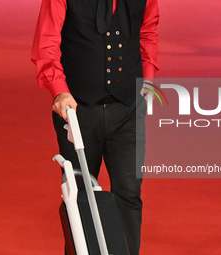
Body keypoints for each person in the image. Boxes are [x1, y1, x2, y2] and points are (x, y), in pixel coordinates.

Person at [31, 0, 159, 254]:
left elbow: (148, 30)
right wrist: (59, 92)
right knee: (80, 196)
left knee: (129, 193)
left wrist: (148, 79)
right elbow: (45, 43)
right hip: (78, 111)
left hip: (128, 109)